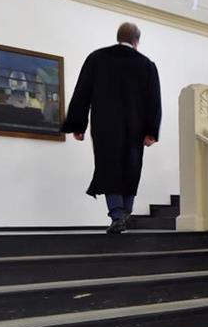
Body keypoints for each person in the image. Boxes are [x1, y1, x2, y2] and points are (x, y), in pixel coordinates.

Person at [62, 22, 162, 234]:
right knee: (131, 167)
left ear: (119, 37)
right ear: (136, 41)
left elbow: (82, 93)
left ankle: (117, 215)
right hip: (134, 128)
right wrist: (151, 131)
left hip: (105, 126)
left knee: (109, 168)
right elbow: (154, 101)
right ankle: (125, 213)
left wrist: (77, 125)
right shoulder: (146, 65)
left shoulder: (97, 58)